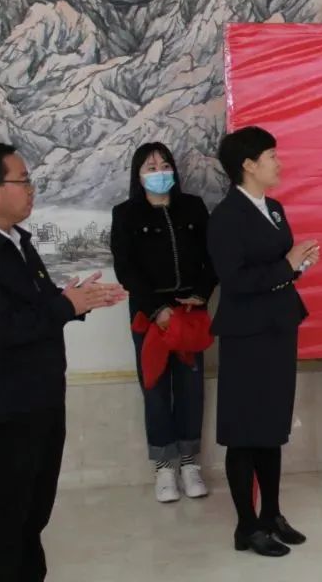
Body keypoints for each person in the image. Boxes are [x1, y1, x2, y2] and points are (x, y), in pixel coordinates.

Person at [0, 141, 126, 582]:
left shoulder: (15, 242)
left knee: (29, 520)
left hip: (37, 405)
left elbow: (32, 307)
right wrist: (64, 306)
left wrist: (74, 300)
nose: (31, 189)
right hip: (0, 414)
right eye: (22, 181)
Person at [208, 126, 320, 558]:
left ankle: (272, 513)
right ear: (248, 165)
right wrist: (285, 266)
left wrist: (297, 267)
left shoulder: (273, 208)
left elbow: (275, 269)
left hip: (278, 328)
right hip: (246, 335)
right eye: (272, 156)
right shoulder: (226, 217)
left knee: (271, 428)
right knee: (244, 432)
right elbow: (235, 280)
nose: (279, 163)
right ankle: (246, 525)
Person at [110, 142, 217, 503]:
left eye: (164, 165)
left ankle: (189, 462)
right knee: (155, 388)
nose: (160, 173)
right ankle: (164, 467)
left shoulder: (193, 207)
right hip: (149, 315)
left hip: (189, 311)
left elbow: (211, 257)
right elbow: (126, 269)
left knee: (190, 387)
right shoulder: (126, 214)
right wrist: (157, 309)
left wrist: (200, 294)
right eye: (151, 167)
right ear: (138, 175)